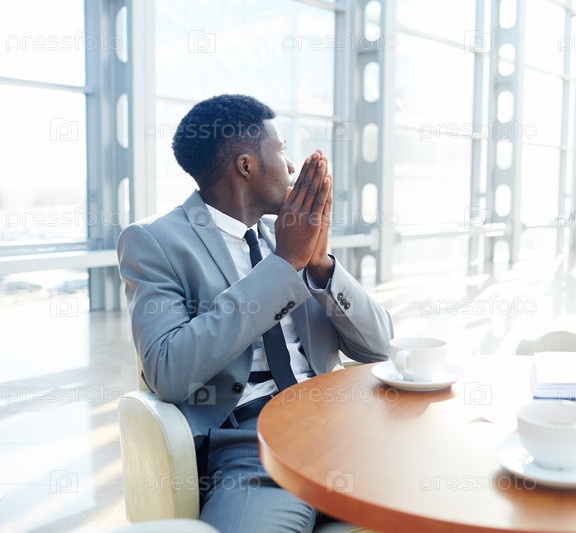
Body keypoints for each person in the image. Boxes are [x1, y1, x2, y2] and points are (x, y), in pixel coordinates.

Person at [117, 94, 393, 532]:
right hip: (252, 443)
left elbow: (380, 347)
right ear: (246, 166)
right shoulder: (156, 242)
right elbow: (168, 371)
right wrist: (283, 265)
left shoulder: (292, 236)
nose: (291, 166)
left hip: (341, 426)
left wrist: (319, 264)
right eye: (280, 150)